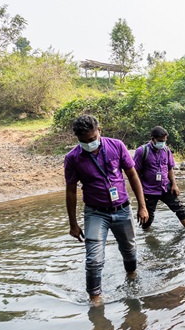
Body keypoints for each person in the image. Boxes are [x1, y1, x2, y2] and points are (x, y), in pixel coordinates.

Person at [64, 114, 149, 305]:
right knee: (93, 259)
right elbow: (70, 191)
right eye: (83, 141)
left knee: (129, 250)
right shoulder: (72, 158)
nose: (89, 143)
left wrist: (142, 206)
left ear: (99, 131)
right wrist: (73, 224)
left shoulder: (117, 146)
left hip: (122, 209)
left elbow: (133, 176)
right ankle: (95, 300)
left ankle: (132, 276)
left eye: (92, 139)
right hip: (95, 212)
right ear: (77, 139)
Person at [134, 126, 185, 229]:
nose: (162, 143)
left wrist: (174, 184)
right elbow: (135, 174)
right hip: (149, 190)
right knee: (148, 218)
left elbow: (169, 168)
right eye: (160, 141)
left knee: (181, 209)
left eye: (164, 141)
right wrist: (141, 195)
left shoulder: (166, 150)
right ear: (153, 139)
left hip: (165, 187)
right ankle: (146, 237)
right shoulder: (142, 151)